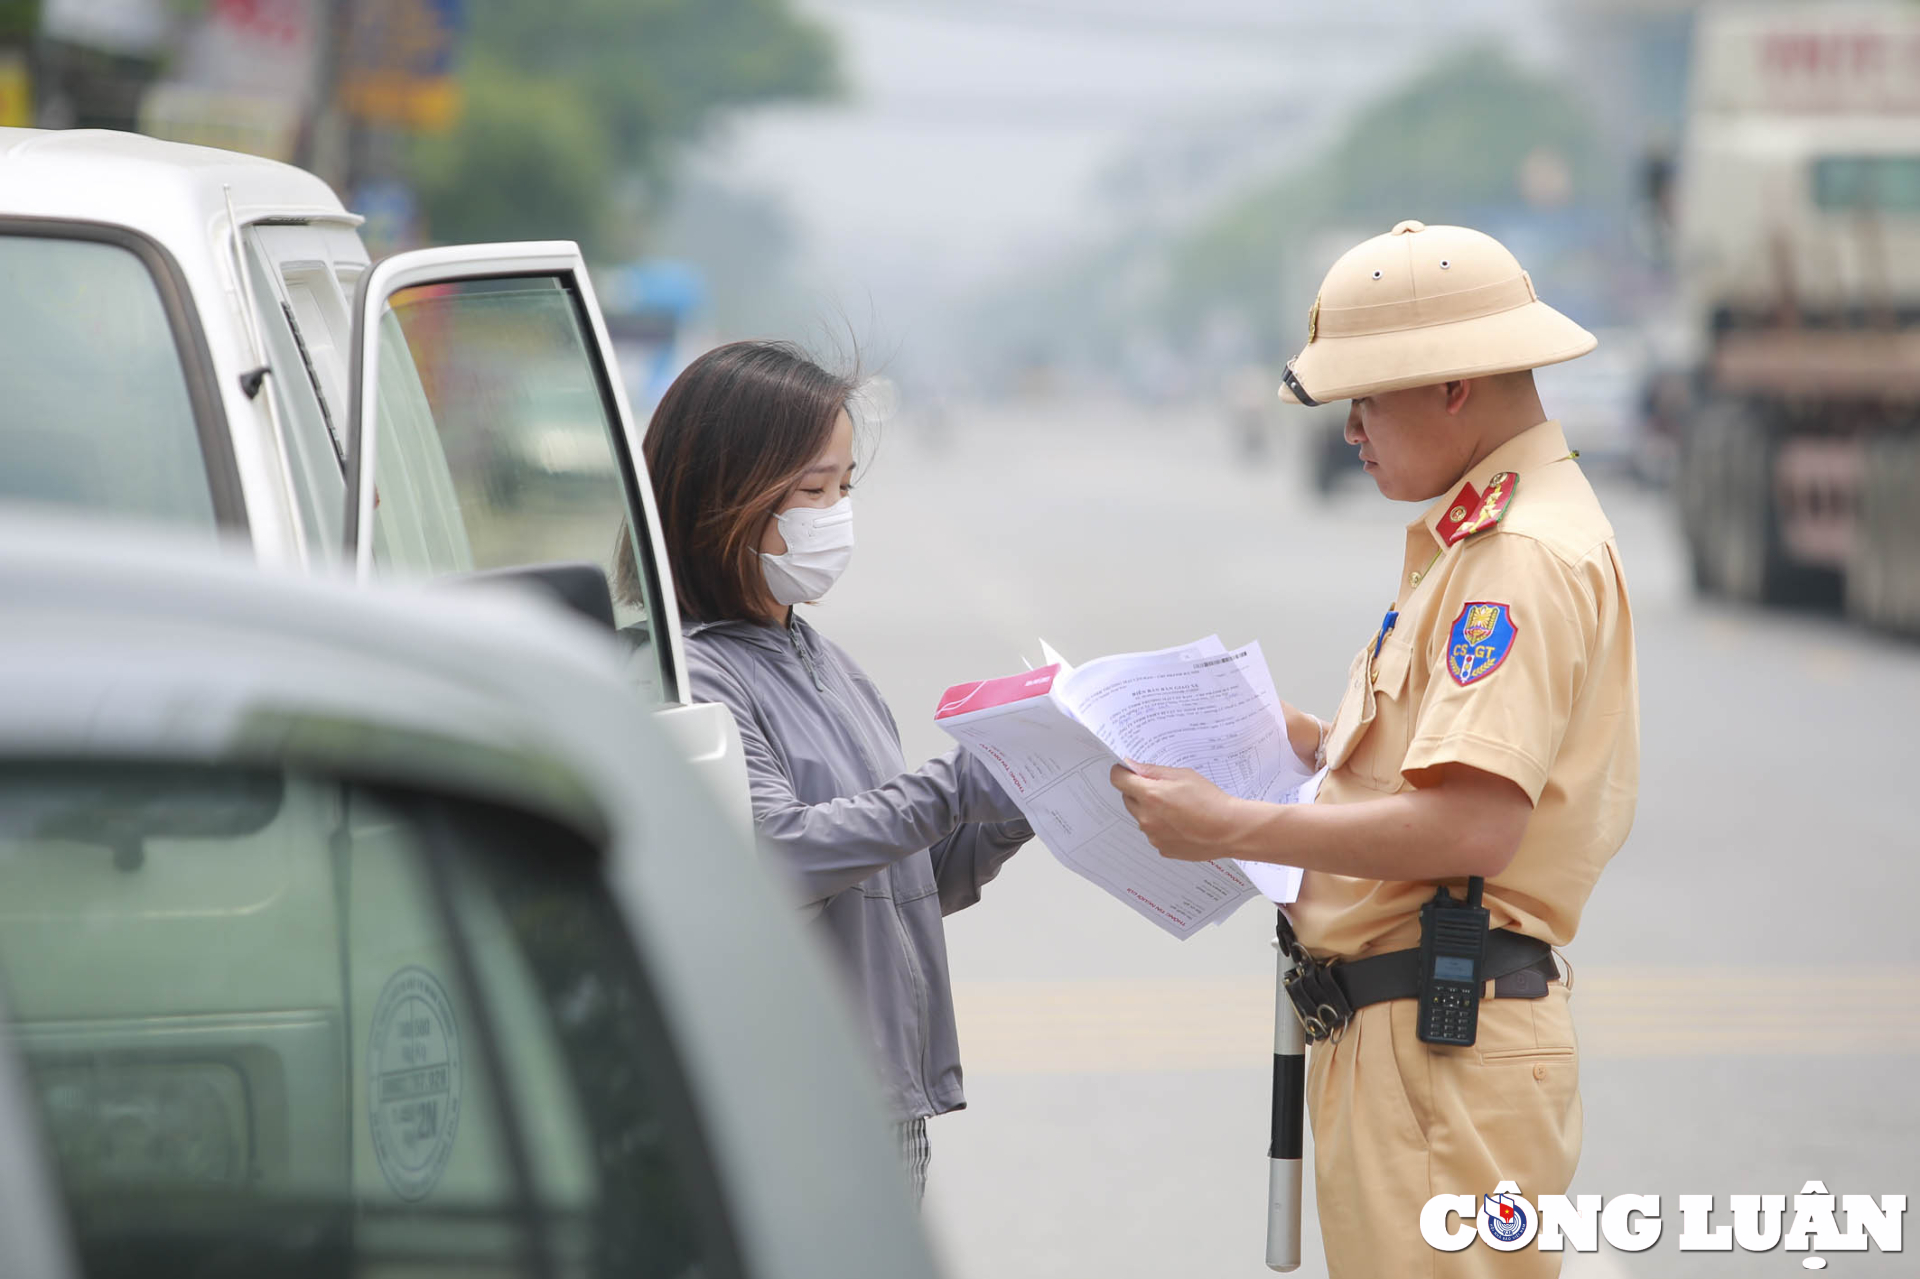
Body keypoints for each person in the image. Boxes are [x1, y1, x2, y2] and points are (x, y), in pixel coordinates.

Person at [1111, 221, 1639, 1277]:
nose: (1351, 430)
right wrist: (1301, 738)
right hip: (1414, 1039)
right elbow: (1434, 762)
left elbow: (1475, 822)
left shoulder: (1515, 557)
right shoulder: (1486, 535)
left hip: (1440, 1045)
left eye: (1367, 397)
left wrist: (1230, 826)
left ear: (1453, 385)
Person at [636, 340, 1031, 1201]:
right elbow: (781, 853)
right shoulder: (696, 675)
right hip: (790, 1109)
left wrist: (1020, 796)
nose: (834, 513)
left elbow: (909, 877)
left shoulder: (827, 664)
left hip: (883, 1100)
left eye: (844, 488)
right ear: (718, 498)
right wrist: (957, 785)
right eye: (811, 490)